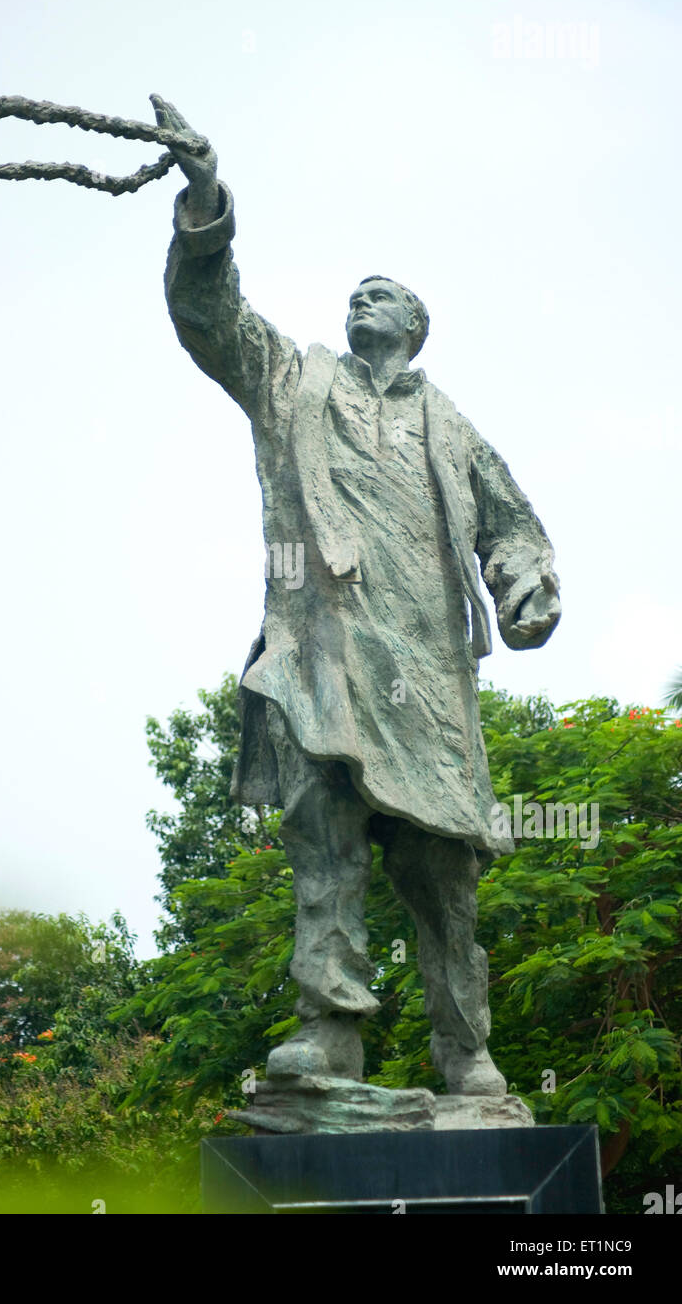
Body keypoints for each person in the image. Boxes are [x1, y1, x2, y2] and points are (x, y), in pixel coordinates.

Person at [154, 95, 561, 1095]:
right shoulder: (295, 379)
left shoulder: (449, 426)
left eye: (382, 295)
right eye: (354, 293)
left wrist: (528, 587)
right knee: (324, 841)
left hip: (423, 677)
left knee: (441, 875)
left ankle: (466, 1051)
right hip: (325, 655)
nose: (359, 303)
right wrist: (205, 205)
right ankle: (330, 1030)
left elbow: (513, 524)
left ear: (417, 327)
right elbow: (213, 321)